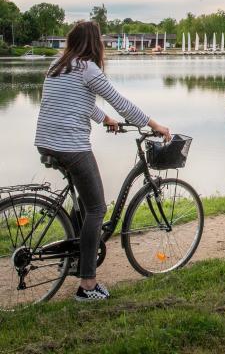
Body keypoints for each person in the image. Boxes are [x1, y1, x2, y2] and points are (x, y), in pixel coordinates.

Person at [34, 21, 171, 302]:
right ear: (95, 44)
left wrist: (104, 119)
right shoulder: (88, 68)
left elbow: (77, 101)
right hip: (71, 147)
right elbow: (122, 103)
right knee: (97, 208)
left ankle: (72, 259)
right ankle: (88, 284)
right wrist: (155, 124)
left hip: (46, 141)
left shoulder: (58, 65)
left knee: (84, 205)